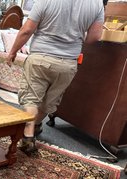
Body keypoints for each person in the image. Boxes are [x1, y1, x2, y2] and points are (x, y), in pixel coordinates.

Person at [6, 0, 105, 154]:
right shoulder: (96, 3)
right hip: (67, 64)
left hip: (40, 58)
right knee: (49, 102)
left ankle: (28, 134)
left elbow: (27, 30)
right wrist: (75, 37)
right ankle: (36, 125)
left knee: (31, 98)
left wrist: (13, 51)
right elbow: (95, 36)